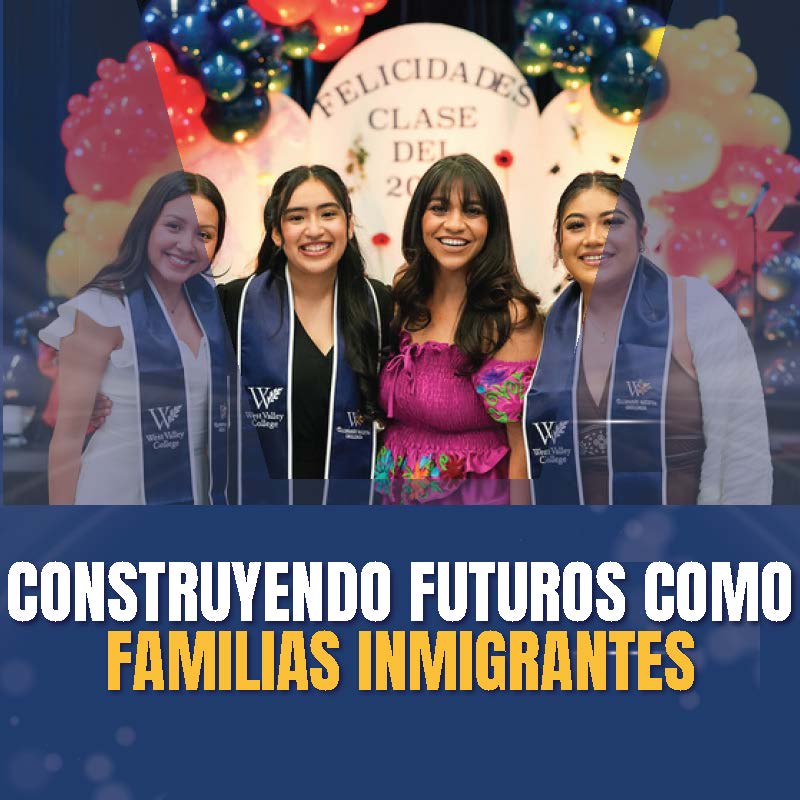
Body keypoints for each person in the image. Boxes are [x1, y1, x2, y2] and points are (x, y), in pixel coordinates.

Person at [524, 171, 772, 504]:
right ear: (559, 244)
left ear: (642, 235)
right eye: (576, 225)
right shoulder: (545, 328)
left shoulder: (696, 308)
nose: (594, 237)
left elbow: (745, 454)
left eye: (612, 222)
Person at [42, 171, 235, 505]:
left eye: (204, 234)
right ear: (147, 226)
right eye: (174, 226)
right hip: (114, 501)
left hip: (200, 498)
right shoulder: (100, 310)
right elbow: (67, 441)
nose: (186, 244)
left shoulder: (217, 311)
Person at [216, 165, 392, 503]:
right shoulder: (234, 305)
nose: (314, 229)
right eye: (296, 218)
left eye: (328, 214)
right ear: (277, 233)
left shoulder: (380, 305)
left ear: (349, 225)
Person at [377, 154, 541, 504]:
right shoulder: (404, 298)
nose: (454, 224)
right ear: (419, 219)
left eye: (472, 211)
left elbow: (522, 446)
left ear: (491, 226)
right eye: (439, 208)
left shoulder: (508, 317)